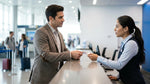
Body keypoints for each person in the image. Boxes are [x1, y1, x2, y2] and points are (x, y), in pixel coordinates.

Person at [29, 4, 83, 84]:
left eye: (63, 17)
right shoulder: (41, 32)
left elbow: (64, 50)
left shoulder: (59, 34)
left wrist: (75, 55)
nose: (63, 20)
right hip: (43, 78)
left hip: (56, 76)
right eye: (60, 17)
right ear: (51, 18)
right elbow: (46, 55)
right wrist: (70, 55)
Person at [88, 15, 145, 84]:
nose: (115, 29)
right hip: (126, 80)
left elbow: (119, 65)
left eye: (117, 26)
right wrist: (118, 76)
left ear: (125, 29)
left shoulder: (131, 44)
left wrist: (98, 58)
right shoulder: (125, 42)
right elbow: (125, 64)